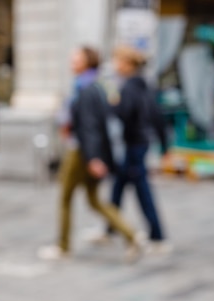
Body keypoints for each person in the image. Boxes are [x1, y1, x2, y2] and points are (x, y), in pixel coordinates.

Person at [38, 46, 140, 261]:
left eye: (77, 57)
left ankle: (63, 246)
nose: (71, 60)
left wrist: (93, 157)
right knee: (94, 200)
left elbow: (90, 126)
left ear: (88, 62)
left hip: (80, 151)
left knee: (65, 196)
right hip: (90, 150)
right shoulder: (95, 85)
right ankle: (131, 235)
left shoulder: (86, 88)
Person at [87, 45, 172, 254]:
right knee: (118, 186)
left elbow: (124, 113)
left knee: (143, 191)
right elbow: (157, 117)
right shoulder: (144, 85)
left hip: (134, 146)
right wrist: (164, 145)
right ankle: (111, 228)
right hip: (139, 144)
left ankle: (158, 236)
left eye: (117, 61)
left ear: (127, 64)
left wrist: (112, 102)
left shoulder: (130, 88)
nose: (115, 66)